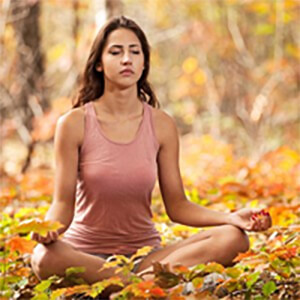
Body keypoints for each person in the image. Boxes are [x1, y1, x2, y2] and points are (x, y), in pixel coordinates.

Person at [30, 15, 272, 296]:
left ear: (144, 62)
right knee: (44, 257)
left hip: (147, 258)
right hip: (84, 257)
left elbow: (178, 206)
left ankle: (131, 285)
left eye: (135, 52)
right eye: (116, 52)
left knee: (233, 238)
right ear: (98, 63)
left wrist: (231, 218)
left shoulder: (162, 124)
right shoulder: (73, 124)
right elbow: (62, 204)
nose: (126, 60)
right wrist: (48, 229)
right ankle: (145, 288)